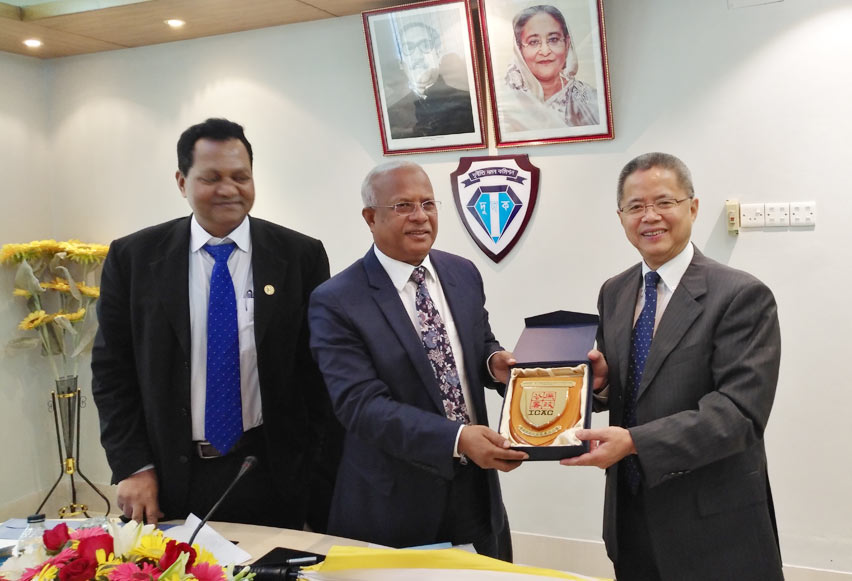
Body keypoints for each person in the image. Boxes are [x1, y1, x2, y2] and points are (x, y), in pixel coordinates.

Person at [91, 118, 338, 531]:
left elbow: (317, 374)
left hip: (272, 469)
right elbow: (113, 373)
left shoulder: (300, 256)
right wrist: (133, 465)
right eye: (211, 177)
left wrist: (317, 466)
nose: (228, 189)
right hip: (169, 476)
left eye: (240, 176)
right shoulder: (133, 259)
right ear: (181, 181)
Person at [561, 153, 783, 579]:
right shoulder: (615, 292)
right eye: (636, 206)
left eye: (664, 202)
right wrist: (603, 387)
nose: (651, 217)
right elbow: (631, 388)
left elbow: (739, 415)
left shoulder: (741, 295)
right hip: (630, 517)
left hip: (714, 523)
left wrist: (635, 443)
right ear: (621, 216)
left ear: (692, 208)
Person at [308, 160, 528, 560]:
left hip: (477, 490)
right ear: (370, 218)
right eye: (404, 206)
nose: (420, 216)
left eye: (428, 203)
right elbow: (361, 407)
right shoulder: (337, 300)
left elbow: (478, 346)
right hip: (395, 502)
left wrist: (494, 362)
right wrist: (457, 439)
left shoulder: (462, 273)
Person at [500, 5, 600, 132]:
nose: (545, 51)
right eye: (533, 42)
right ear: (519, 50)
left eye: (553, 39)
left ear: (567, 44)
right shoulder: (507, 103)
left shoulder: (589, 99)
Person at [386, 22, 476, 139]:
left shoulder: (466, 102)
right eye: (408, 48)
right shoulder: (392, 114)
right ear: (401, 63)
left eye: (425, 45)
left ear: (438, 54)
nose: (418, 55)